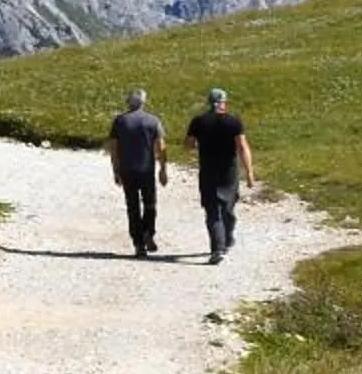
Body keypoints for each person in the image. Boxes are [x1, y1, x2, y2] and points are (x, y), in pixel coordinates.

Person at [184, 87, 258, 263]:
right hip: (229, 171)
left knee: (212, 211)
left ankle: (218, 248)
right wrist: (249, 172)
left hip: (208, 171)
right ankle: (227, 237)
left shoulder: (198, 121)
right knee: (227, 207)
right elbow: (242, 147)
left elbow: (188, 144)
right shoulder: (233, 121)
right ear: (224, 102)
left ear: (209, 102)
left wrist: (196, 144)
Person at [107, 89, 167, 256]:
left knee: (132, 206)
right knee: (150, 204)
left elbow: (114, 148)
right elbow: (161, 147)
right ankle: (148, 232)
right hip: (147, 169)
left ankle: (138, 243)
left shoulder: (119, 121)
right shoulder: (153, 121)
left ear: (128, 103)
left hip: (127, 170)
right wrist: (163, 169)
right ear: (143, 102)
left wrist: (115, 170)